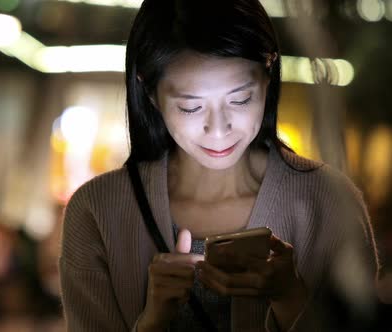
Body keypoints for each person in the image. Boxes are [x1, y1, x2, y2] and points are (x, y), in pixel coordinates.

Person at [58, 0, 380, 331]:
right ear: (150, 93)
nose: (218, 129)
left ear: (269, 74)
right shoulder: (97, 211)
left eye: (240, 100)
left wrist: (290, 297)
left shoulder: (328, 201)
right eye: (190, 107)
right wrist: (152, 322)